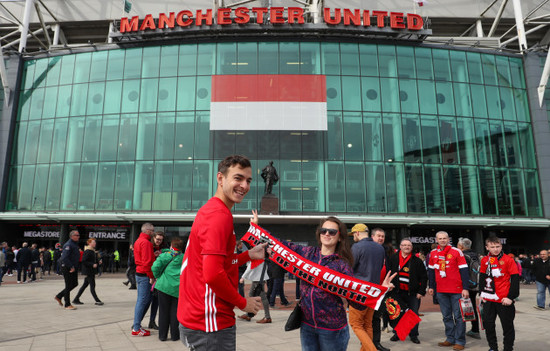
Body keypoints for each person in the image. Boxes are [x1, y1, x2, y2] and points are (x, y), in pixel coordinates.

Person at [178, 155, 267, 351]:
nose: (244, 185)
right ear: (220, 179)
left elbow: (218, 264)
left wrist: (247, 255)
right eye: (238, 178)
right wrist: (243, 303)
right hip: (210, 322)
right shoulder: (219, 216)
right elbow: (213, 274)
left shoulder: (213, 210)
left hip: (200, 318)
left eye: (248, 180)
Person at [279, 217, 395, 351]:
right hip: (307, 326)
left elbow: (353, 296)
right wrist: (256, 229)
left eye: (332, 232)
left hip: (332, 329)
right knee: (367, 325)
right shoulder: (308, 253)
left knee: (363, 325)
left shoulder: (343, 264)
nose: (327, 233)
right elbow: (281, 245)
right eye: (324, 230)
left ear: (339, 237)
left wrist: (380, 290)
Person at [428, 231, 470, 351]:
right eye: (440, 238)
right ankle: (450, 338)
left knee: (459, 316)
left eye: (444, 238)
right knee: (446, 316)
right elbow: (431, 271)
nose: (442, 240)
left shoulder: (457, 251)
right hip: (441, 290)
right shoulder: (433, 253)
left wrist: (465, 288)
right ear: (436, 240)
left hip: (457, 290)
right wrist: (431, 286)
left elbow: (464, 271)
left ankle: (460, 341)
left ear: (448, 239)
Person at [348, 223, 385, 351]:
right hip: (373, 291)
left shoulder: (357, 247)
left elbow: (349, 269)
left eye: (353, 234)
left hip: (359, 292)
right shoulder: (380, 248)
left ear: (357, 233)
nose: (353, 237)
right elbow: (380, 268)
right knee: (367, 324)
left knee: (356, 324)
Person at [479, 236, 520, 351]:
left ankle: (508, 348)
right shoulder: (484, 260)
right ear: (487, 247)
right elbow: (482, 277)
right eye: (492, 247)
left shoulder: (508, 259)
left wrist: (511, 297)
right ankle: (493, 347)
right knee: (488, 325)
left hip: (504, 299)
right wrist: (481, 294)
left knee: (507, 326)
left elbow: (515, 279)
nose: (496, 249)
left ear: (501, 246)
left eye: (498, 246)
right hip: (489, 298)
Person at [388, 238, 427, 344]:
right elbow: (388, 272)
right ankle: (397, 333)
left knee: (413, 314)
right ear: (400, 246)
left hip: (413, 293)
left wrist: (421, 292)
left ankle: (414, 335)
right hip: (397, 292)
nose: (406, 247)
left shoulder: (417, 261)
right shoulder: (393, 258)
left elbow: (424, 277)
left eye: (409, 245)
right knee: (398, 314)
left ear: (412, 247)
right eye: (404, 245)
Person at [152, 237, 184, 342]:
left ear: (171, 246)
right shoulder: (184, 258)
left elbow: (154, 267)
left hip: (164, 287)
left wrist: (157, 276)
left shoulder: (165, 256)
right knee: (175, 312)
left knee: (163, 312)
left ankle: (162, 336)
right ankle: (175, 335)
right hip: (177, 289)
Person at [131, 222, 156, 336]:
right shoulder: (146, 243)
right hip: (144, 274)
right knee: (142, 300)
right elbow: (147, 262)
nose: (153, 232)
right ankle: (136, 327)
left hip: (140, 273)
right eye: (152, 230)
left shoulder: (138, 241)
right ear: (148, 231)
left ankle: (137, 325)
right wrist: (151, 276)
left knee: (143, 300)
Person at [370, 228, 391, 351]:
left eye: (382, 236)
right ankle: (366, 342)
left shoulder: (385, 252)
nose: (381, 238)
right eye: (378, 236)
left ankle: (376, 343)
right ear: (372, 237)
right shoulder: (368, 250)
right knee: (367, 319)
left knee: (377, 318)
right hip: (368, 291)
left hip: (381, 291)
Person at [457, 237, 481, 339]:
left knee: (464, 307)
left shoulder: (464, 256)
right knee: (471, 307)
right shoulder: (476, 255)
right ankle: (475, 329)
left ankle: (471, 330)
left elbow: (463, 272)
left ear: (461, 246)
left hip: (466, 286)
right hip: (475, 284)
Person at [54, 230, 81, 310]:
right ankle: (67, 304)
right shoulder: (68, 245)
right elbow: (64, 258)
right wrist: (71, 266)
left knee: (75, 284)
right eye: (77, 235)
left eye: (78, 235)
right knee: (68, 285)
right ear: (72, 236)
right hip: (68, 267)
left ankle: (59, 296)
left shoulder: (74, 244)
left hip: (73, 267)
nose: (78, 236)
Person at [72, 238, 103, 306]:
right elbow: (84, 261)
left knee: (85, 285)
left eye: (95, 242)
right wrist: (92, 264)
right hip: (89, 271)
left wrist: (98, 262)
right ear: (89, 243)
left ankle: (76, 299)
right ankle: (97, 300)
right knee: (92, 285)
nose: (95, 243)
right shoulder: (88, 251)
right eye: (93, 242)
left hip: (91, 271)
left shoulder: (92, 251)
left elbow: (91, 260)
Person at [149, 231, 165, 330]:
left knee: (156, 301)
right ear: (153, 238)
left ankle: (152, 321)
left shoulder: (162, 249)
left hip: (157, 277)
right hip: (149, 276)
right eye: (157, 239)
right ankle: (137, 323)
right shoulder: (149, 246)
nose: (159, 241)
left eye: (161, 240)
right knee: (145, 301)